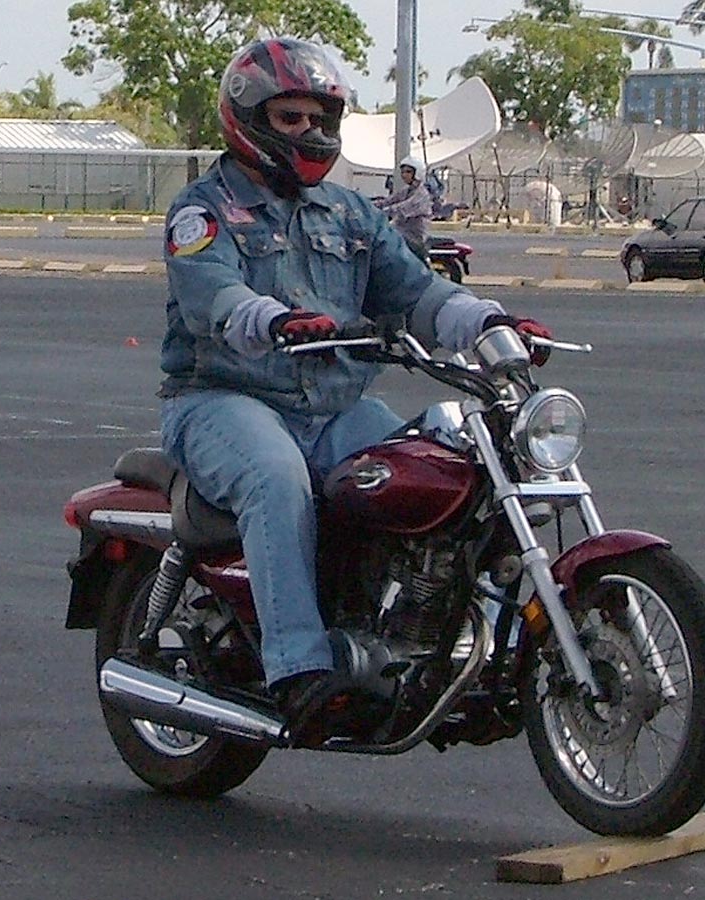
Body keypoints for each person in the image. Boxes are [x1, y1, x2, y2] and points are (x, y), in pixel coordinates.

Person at [158, 37, 551, 743]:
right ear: (248, 119)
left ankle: (432, 648)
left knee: (441, 465)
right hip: (224, 400)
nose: (309, 132)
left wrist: (491, 324)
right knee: (276, 478)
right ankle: (301, 670)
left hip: (334, 408)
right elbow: (212, 294)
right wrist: (272, 320)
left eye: (320, 118)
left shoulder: (350, 214)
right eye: (290, 118)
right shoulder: (204, 209)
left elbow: (418, 293)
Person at [373, 155, 433, 261]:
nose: (404, 175)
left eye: (408, 172)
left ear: (417, 173)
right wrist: (368, 204)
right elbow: (388, 201)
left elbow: (404, 207)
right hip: (401, 231)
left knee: (384, 243)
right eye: (403, 172)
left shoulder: (421, 194)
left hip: (414, 237)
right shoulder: (406, 190)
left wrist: (384, 211)